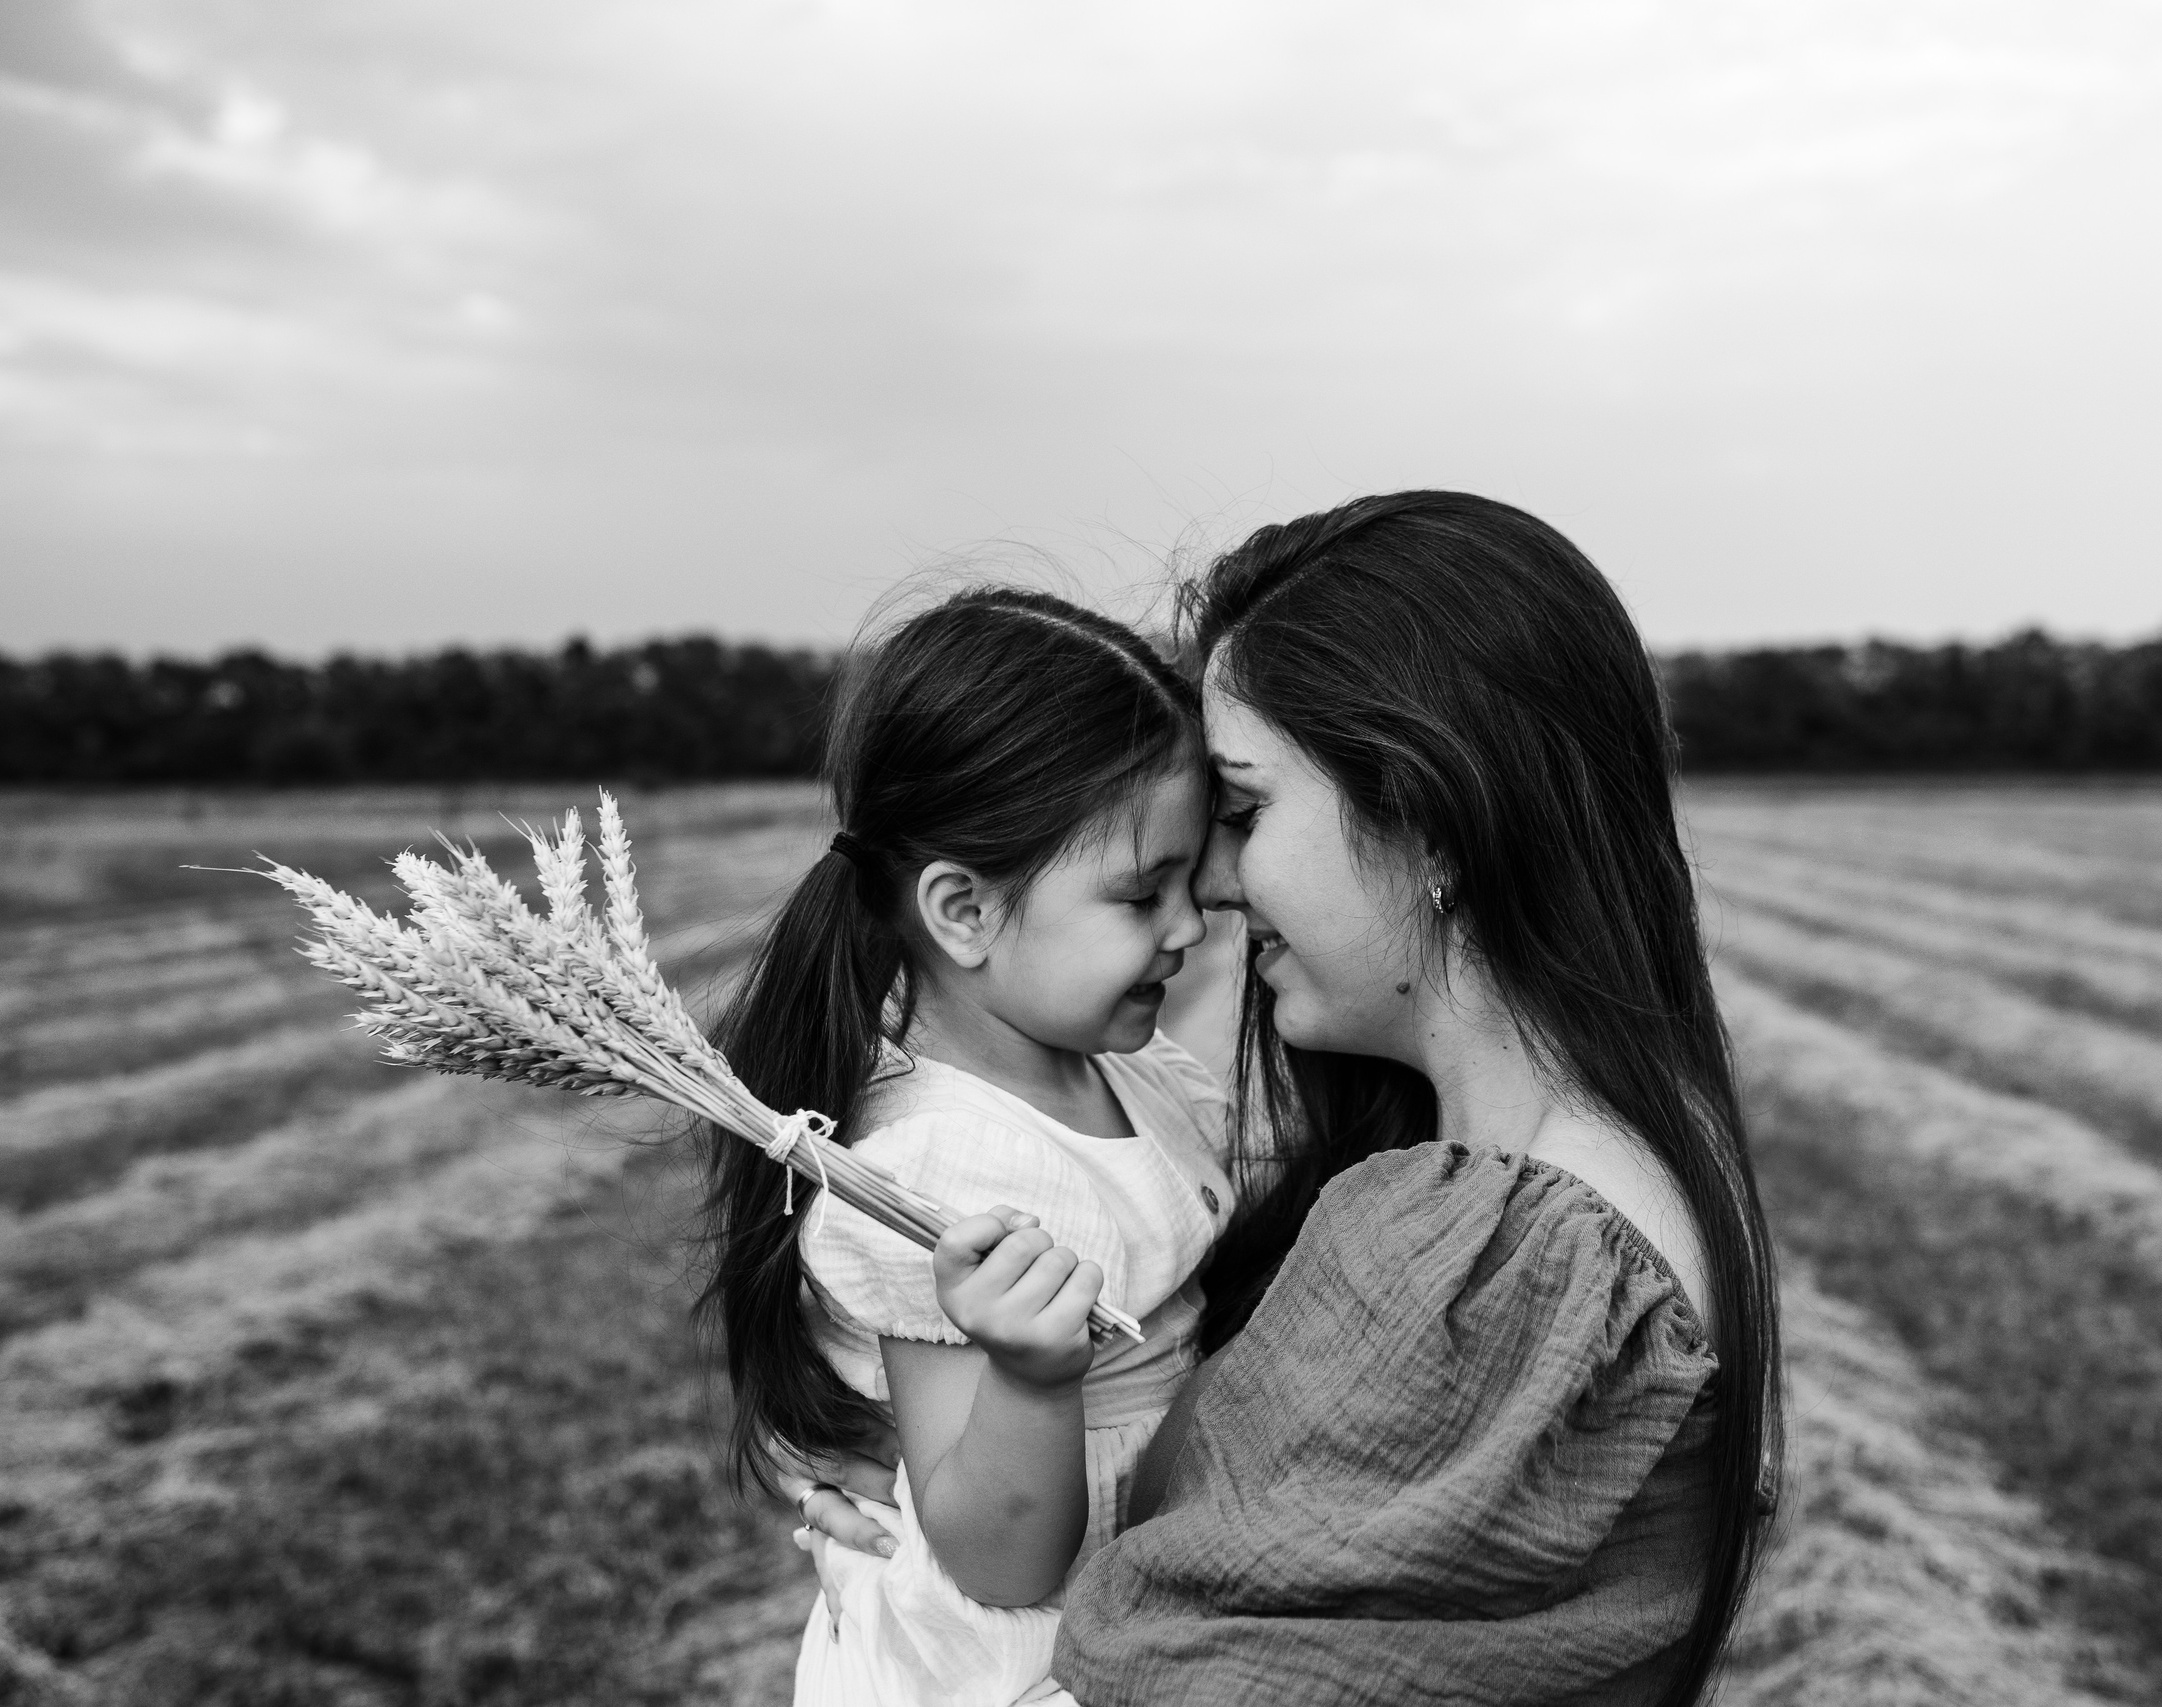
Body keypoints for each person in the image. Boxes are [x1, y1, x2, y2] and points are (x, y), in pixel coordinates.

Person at [802, 494, 1785, 1706]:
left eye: (1247, 810)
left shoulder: (1508, 1251)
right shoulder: (1576, 1161)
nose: (1212, 888)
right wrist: (933, 1492)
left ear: (1425, 818)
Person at [699, 587, 1248, 1707]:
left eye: (1190, 882)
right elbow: (998, 1560)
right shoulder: (941, 1173)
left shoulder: (1135, 1075)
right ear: (963, 911)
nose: (1191, 927)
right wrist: (1033, 1377)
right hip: (1017, 1669)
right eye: (1142, 894)